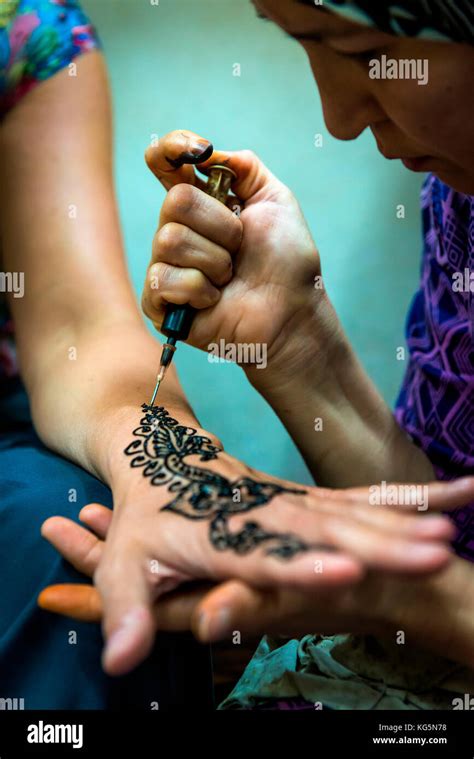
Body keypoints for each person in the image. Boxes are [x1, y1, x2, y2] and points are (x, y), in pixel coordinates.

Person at [2, 0, 457, 709]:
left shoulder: (23, 32)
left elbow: (80, 328)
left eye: (364, 54)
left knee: (71, 535)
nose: (338, 119)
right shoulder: (458, 199)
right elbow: (446, 538)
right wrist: (298, 348)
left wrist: (419, 599)